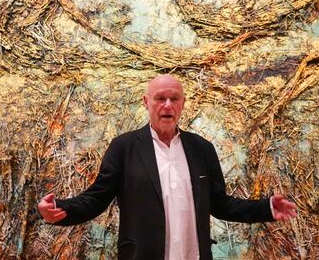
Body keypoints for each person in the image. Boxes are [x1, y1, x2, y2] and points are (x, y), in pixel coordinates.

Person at [38, 75, 297, 260]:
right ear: (146, 102)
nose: (167, 106)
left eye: (174, 99)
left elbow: (220, 204)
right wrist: (61, 209)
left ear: (183, 103)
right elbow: (95, 199)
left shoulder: (202, 148)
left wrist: (267, 208)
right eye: (160, 99)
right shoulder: (125, 147)